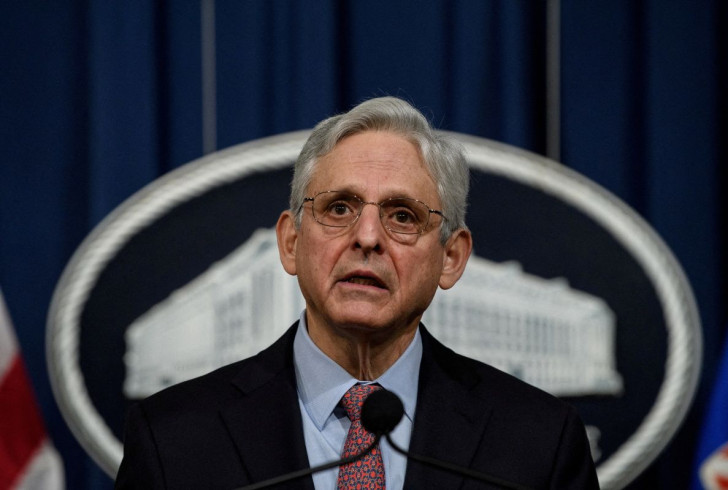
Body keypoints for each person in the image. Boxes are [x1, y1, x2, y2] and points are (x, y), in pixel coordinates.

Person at [115, 97, 599, 489]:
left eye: (402, 216)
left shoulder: (539, 442)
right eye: (339, 208)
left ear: (451, 258)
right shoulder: (173, 440)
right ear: (291, 242)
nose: (367, 237)